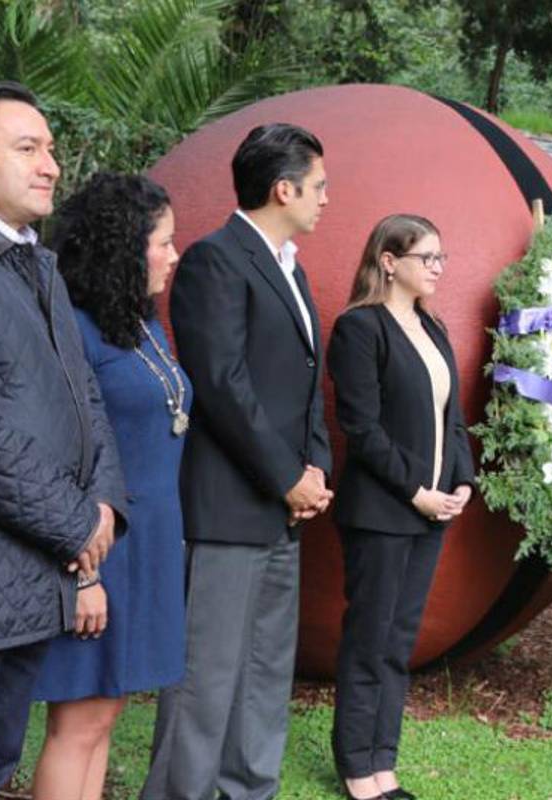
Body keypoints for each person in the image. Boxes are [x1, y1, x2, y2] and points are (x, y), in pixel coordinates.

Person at [141, 123, 333, 800]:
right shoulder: (215, 261)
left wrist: (315, 470)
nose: (325, 199)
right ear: (283, 189)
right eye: (318, 186)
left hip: (283, 510)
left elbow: (304, 382)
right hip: (227, 507)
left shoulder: (291, 268)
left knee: (265, 674)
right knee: (204, 678)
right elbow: (222, 384)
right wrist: (286, 477)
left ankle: (250, 789)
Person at [0, 81, 126, 799]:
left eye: (51, 149)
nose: (51, 166)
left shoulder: (36, 262)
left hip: (28, 577)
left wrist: (106, 503)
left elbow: (86, 394)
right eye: (27, 148)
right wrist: (74, 521)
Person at [29, 172, 189, 800]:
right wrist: (84, 576)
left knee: (106, 715)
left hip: (151, 544)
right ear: (124, 248)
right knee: (77, 722)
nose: (174, 255)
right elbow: (61, 459)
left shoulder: (142, 323)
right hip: (99, 550)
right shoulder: (72, 330)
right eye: (164, 242)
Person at [328, 214, 475, 800]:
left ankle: (383, 761)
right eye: (426, 258)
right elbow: (361, 429)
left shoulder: (432, 327)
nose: (437, 268)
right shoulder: (360, 329)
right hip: (383, 512)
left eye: (441, 257)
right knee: (370, 639)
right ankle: (356, 767)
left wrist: (462, 480)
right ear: (389, 262)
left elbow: (452, 418)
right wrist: (417, 491)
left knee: (399, 642)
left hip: (432, 511)